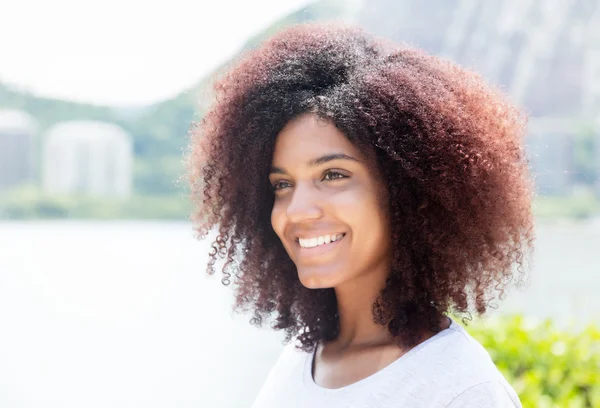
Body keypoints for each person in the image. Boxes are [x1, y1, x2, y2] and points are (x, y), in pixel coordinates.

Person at [187, 22, 534, 408]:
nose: (297, 211)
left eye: (333, 175)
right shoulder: (304, 358)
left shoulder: (460, 391)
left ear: (410, 191)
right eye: (282, 185)